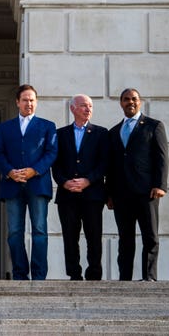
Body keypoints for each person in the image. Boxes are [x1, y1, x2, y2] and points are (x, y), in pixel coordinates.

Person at [0, 84, 58, 281]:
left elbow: (51, 152)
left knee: (39, 231)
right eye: (25, 100)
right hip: (12, 185)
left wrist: (34, 170)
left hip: (37, 184)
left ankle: (39, 275)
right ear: (17, 102)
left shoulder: (47, 126)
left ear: (36, 102)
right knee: (14, 232)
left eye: (32, 100)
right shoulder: (5, 127)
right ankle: (20, 274)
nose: (28, 103)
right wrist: (10, 172)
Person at [107, 88, 168, 281]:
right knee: (125, 239)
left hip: (146, 192)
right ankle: (124, 278)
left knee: (150, 237)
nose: (130, 102)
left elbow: (162, 158)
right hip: (121, 195)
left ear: (140, 102)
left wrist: (160, 185)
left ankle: (149, 277)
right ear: (121, 103)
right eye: (126, 99)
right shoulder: (114, 132)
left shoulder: (153, 126)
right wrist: (109, 194)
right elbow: (111, 165)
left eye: (134, 99)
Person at [52, 94, 108, 281]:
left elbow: (104, 163)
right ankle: (74, 273)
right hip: (67, 195)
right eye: (83, 105)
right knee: (70, 236)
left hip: (92, 194)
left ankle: (94, 273)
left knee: (94, 236)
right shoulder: (60, 134)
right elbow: (55, 164)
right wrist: (64, 182)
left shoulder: (101, 133)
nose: (88, 109)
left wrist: (88, 180)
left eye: (90, 106)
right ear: (73, 109)